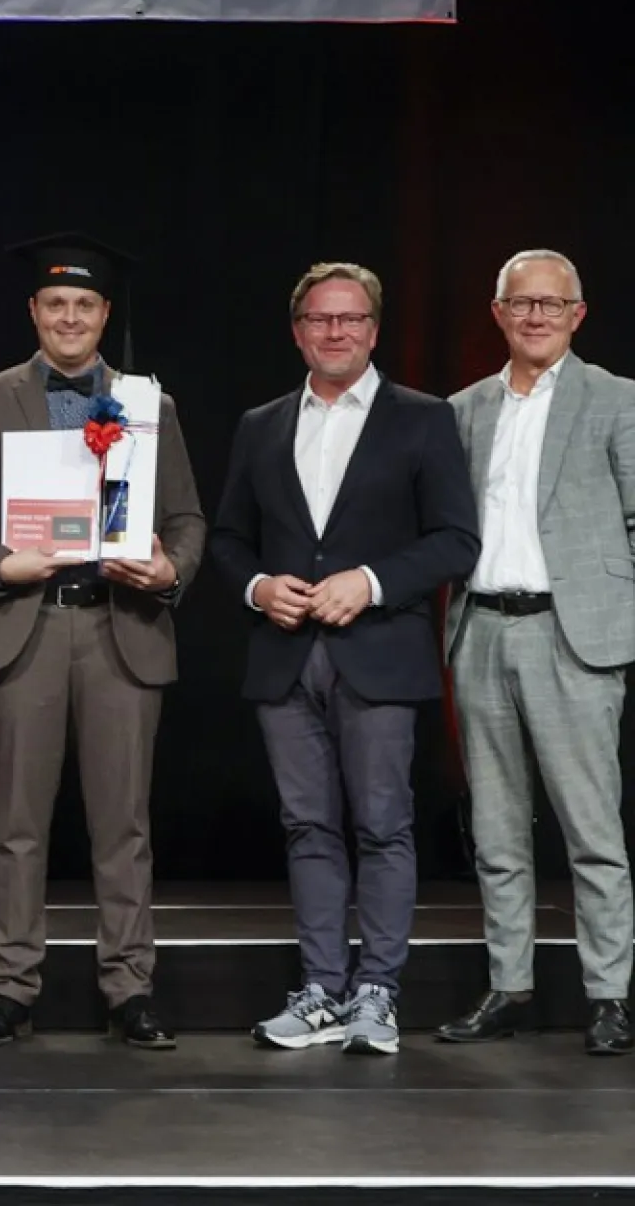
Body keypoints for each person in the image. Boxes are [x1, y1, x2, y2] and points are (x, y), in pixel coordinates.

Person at [0, 233, 205, 1049]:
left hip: (123, 624)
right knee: (17, 825)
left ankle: (130, 988)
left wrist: (169, 569)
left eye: (84, 305)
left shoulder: (148, 404)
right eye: (56, 304)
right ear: (34, 312)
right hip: (25, 623)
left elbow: (186, 517)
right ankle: (10, 987)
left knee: (125, 826)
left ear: (104, 314)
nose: (70, 318)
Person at [209, 261, 480, 1056]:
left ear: (374, 329)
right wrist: (259, 587)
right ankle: (322, 990)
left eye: (352, 318)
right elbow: (228, 538)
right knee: (307, 827)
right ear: (298, 332)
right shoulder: (261, 424)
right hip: (285, 658)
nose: (337, 332)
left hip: (379, 653)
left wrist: (371, 582)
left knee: (384, 826)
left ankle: (377, 993)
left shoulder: (422, 418)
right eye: (321, 319)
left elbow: (456, 540)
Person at [436, 250, 635, 1055]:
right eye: (522, 303)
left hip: (571, 634)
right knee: (496, 828)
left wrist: (614, 615)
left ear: (578, 315)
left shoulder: (617, 399)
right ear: (498, 313)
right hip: (481, 630)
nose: (537, 317)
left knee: (592, 829)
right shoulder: (464, 408)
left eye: (553, 304)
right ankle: (509, 985)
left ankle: (610, 995)